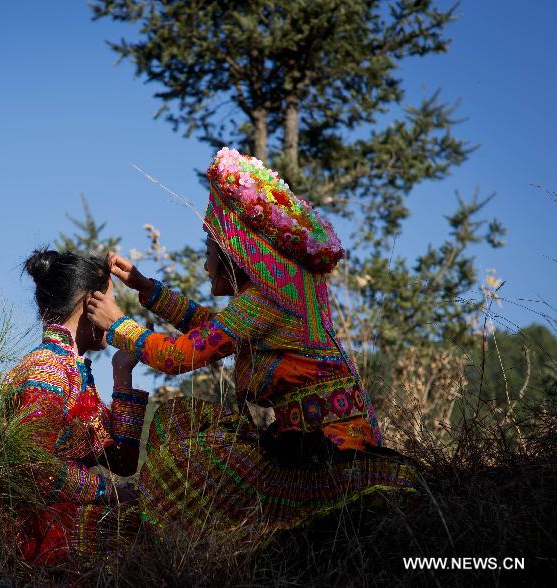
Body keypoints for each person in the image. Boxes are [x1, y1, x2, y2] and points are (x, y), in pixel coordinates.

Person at [85, 147, 417, 537]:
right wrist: (146, 288)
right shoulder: (279, 293)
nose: (206, 266)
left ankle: (191, 539)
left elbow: (181, 355)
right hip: (303, 442)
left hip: (329, 453)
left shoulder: (265, 301)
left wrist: (118, 325)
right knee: (179, 420)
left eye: (210, 253)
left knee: (193, 457)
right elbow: (213, 328)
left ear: (235, 256)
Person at [5, 249, 149, 564]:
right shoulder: (48, 368)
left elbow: (122, 462)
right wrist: (112, 493)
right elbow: (35, 468)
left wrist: (121, 373)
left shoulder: (75, 369)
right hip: (44, 538)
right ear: (90, 304)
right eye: (113, 300)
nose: (117, 311)